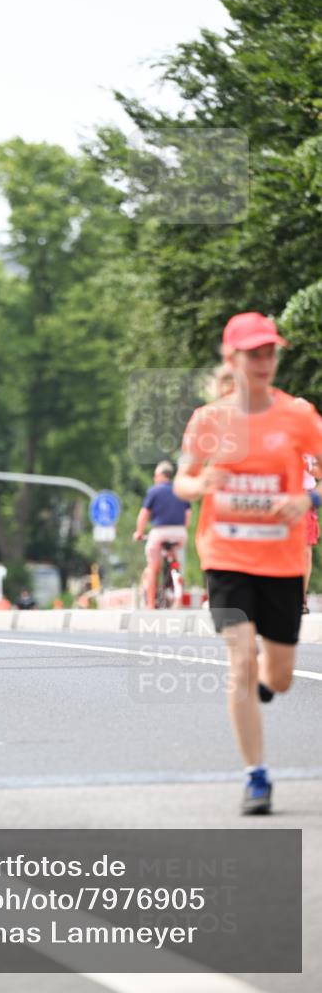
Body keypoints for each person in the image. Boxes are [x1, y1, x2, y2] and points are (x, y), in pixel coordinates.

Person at [174, 312, 322, 815]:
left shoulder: (298, 415)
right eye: (253, 353)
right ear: (231, 358)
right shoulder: (210, 419)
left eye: (270, 352)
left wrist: (309, 500)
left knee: (278, 677)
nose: (263, 362)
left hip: (280, 561)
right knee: (240, 661)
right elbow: (183, 482)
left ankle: (266, 680)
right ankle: (256, 776)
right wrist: (202, 486)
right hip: (227, 557)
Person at [133, 461, 191, 608]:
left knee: (153, 566)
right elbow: (188, 514)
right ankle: (176, 574)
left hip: (160, 531)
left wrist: (139, 532)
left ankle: (151, 604)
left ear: (160, 476)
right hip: (180, 532)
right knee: (173, 555)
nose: (154, 478)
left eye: (155, 476)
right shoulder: (181, 490)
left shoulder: (154, 491)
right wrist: (183, 530)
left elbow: (144, 514)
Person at [302, 453, 321, 613]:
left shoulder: (315, 438)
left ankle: (300, 599)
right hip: (280, 495)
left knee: (305, 553)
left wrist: (307, 466)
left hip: (306, 497)